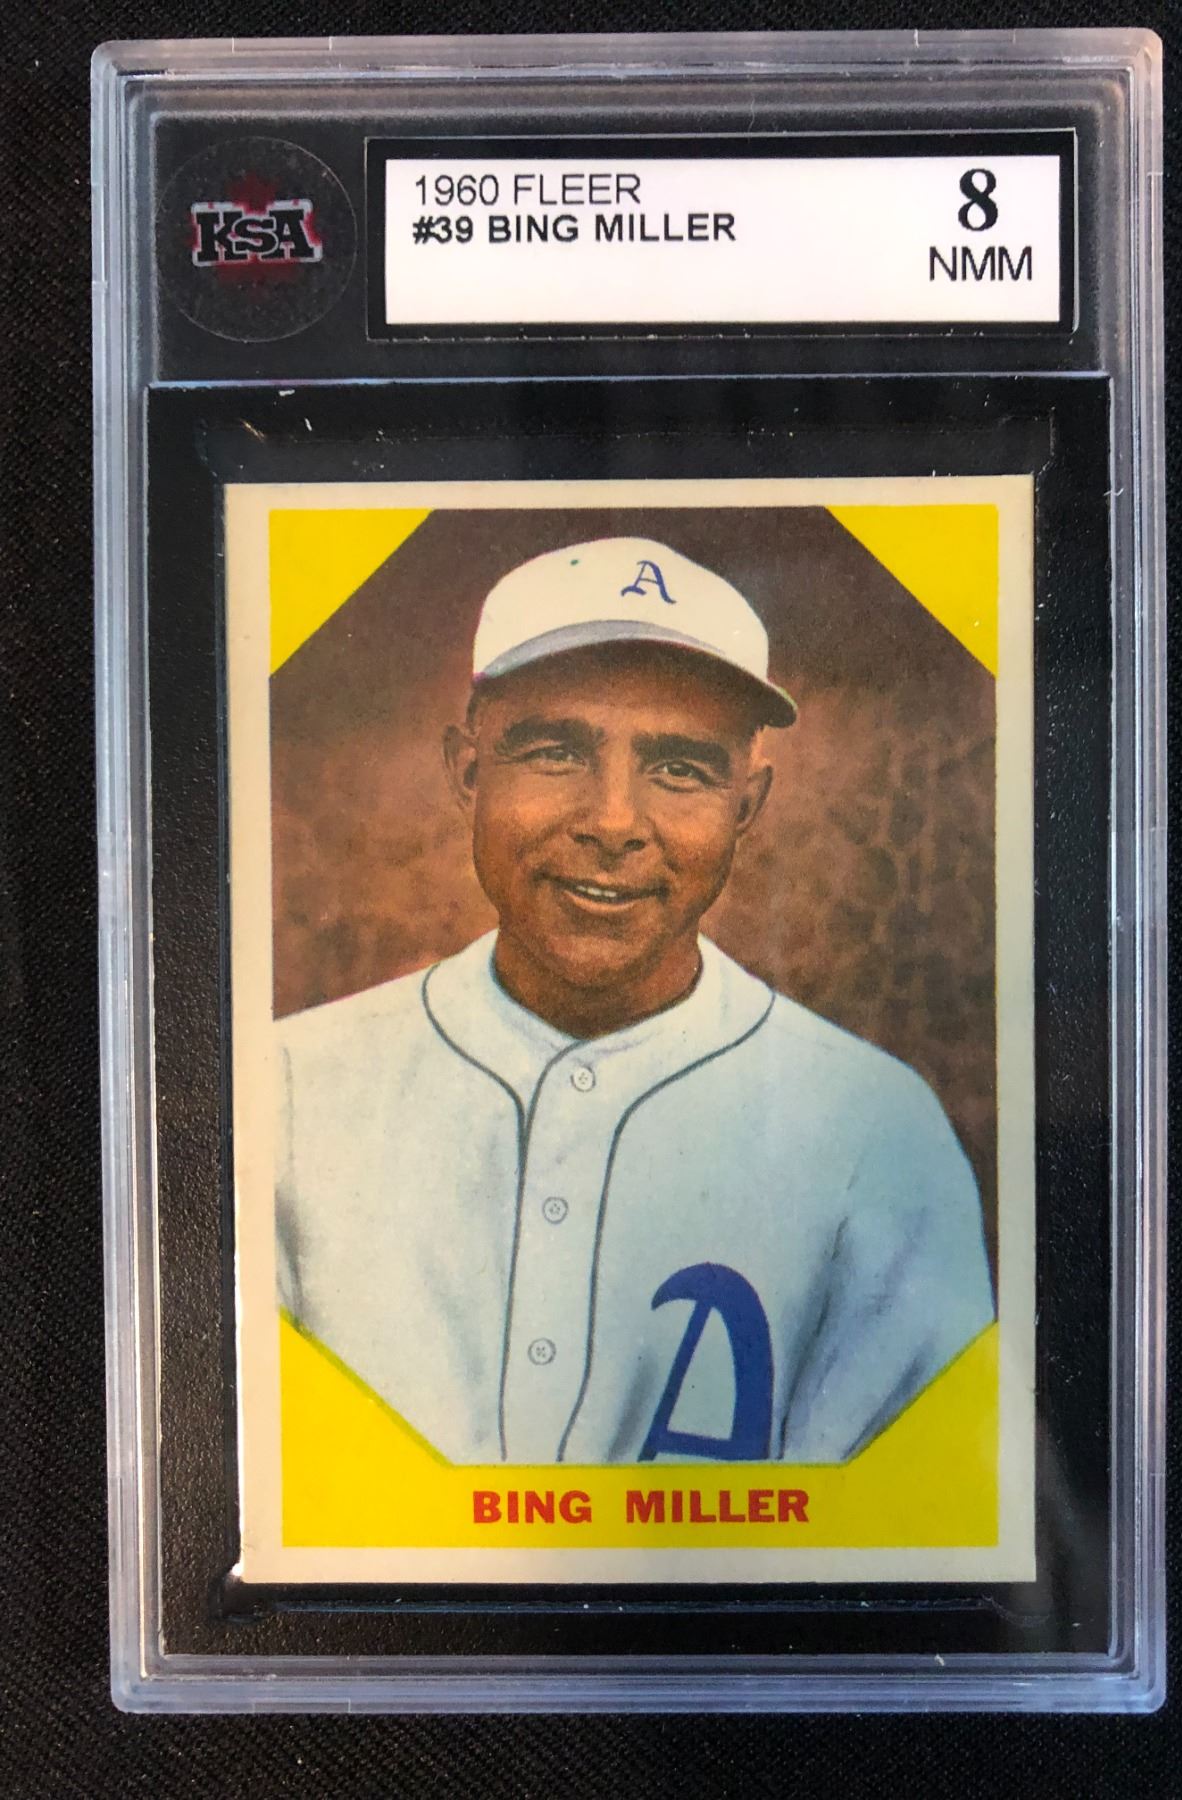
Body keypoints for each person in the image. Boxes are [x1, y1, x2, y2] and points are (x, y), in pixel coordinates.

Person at [275, 537, 993, 1465]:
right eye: (554, 751)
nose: (613, 822)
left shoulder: (877, 1130)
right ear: (467, 772)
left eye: (681, 768)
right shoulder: (283, 1091)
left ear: (746, 805)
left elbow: (912, 1524)